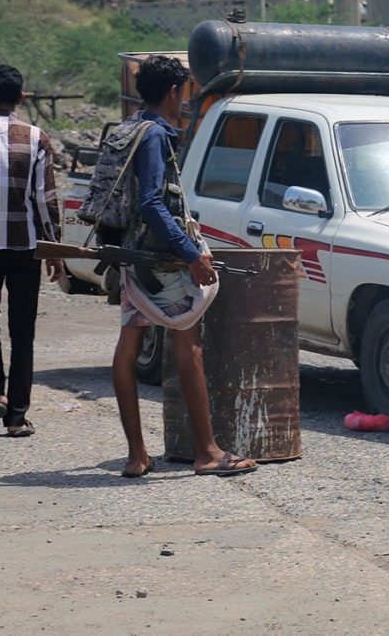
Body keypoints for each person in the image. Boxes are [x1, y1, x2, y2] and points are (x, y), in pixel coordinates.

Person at [113, 54, 257, 478]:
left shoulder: (128, 127)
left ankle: (137, 456)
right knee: (187, 345)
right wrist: (192, 255)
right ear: (174, 92)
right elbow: (152, 202)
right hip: (160, 258)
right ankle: (208, 452)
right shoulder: (156, 135)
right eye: (184, 94)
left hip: (132, 254)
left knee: (128, 345)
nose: (186, 102)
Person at [0, 64, 63, 437]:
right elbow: (44, 200)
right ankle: (17, 417)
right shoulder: (37, 136)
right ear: (21, 97)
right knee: (23, 330)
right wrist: (53, 249)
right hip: (25, 247)